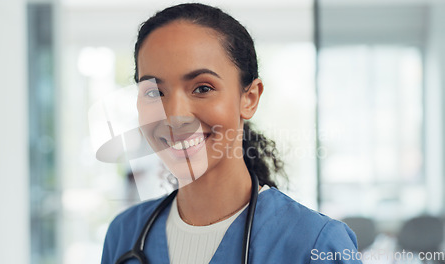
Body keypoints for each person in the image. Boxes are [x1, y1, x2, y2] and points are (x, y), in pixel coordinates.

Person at [101, 3, 362, 264]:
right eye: (154, 93)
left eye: (202, 88)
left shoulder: (316, 244)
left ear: (249, 98)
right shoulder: (124, 234)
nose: (174, 117)